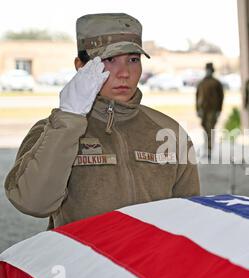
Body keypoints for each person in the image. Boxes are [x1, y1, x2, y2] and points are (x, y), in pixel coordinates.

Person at [4, 13, 200, 229]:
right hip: (81, 261)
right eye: (110, 60)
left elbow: (188, 217)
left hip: (149, 261)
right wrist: (69, 119)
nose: (124, 72)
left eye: (133, 60)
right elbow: (34, 203)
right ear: (81, 66)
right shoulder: (52, 131)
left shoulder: (168, 131)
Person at [196, 62, 224, 158]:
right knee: (205, 129)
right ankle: (206, 148)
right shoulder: (202, 82)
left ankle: (209, 149)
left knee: (210, 129)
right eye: (207, 70)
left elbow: (221, 97)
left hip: (213, 110)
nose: (208, 71)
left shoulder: (216, 83)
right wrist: (197, 109)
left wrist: (219, 110)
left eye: (210, 70)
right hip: (203, 110)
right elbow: (197, 96)